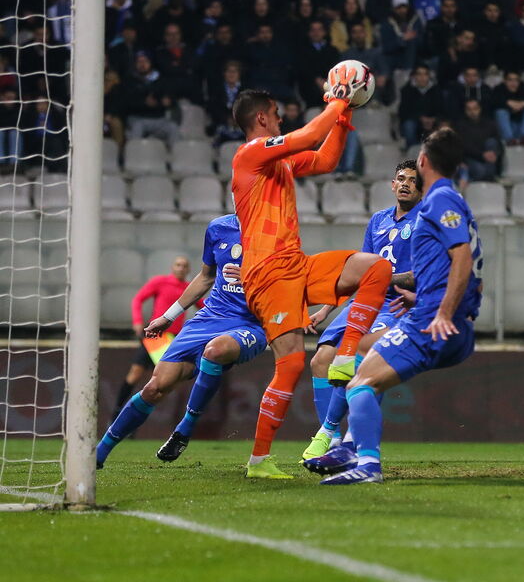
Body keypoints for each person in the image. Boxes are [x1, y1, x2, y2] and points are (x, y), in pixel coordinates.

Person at [230, 84, 393, 479]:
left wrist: (344, 113)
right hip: (267, 273)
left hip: (296, 264)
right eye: (276, 113)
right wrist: (338, 96)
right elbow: (308, 136)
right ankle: (259, 460)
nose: (282, 118)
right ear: (262, 119)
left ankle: (346, 353)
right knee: (291, 364)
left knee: (376, 269)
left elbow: (325, 158)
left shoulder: (279, 161)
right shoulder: (251, 153)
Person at [309, 127, 483, 484]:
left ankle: (364, 461)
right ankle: (346, 444)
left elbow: (463, 260)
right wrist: (426, 298)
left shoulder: (439, 201)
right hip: (436, 316)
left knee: (359, 385)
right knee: (361, 361)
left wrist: (442, 311)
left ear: (424, 162)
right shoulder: (454, 202)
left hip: (432, 323)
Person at [96, 216, 267, 468]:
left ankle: (184, 429)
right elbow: (206, 277)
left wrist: (253, 278)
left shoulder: (275, 230)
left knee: (215, 351)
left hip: (250, 323)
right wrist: (168, 316)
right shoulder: (218, 228)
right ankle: (99, 454)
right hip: (205, 321)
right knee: (154, 386)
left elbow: (289, 281)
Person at [301, 160, 423, 468]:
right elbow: (359, 272)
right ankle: (336, 442)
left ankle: (336, 435)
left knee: (363, 360)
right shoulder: (378, 220)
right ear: (392, 185)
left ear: (422, 188)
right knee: (321, 359)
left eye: (412, 179)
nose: (406, 183)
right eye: (400, 178)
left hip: (395, 305)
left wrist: (387, 281)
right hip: (366, 300)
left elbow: (424, 271)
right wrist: (327, 308)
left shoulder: (426, 221)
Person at [112, 256, 193, 422]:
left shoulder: (190, 289)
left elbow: (204, 306)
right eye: (177, 264)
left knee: (166, 382)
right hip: (155, 337)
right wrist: (137, 322)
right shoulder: (160, 282)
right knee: (135, 375)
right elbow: (138, 299)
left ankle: (135, 419)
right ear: (172, 267)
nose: (180, 268)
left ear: (188, 270)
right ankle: (116, 414)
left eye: (184, 266)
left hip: (172, 341)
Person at [454, 99, 501, 183]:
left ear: (480, 109)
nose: (472, 112)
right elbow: (464, 147)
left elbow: (498, 142)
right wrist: (482, 154)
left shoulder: (490, 124)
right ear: (465, 111)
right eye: (469, 109)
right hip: (471, 158)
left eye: (475, 108)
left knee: (492, 142)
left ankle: (490, 174)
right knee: (480, 171)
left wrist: (495, 154)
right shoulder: (460, 125)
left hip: (489, 159)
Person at [491, 70, 524, 145]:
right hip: (506, 127)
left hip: (520, 125)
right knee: (500, 112)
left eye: (516, 80)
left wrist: (523, 104)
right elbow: (494, 102)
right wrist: (508, 103)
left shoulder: (523, 88)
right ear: (504, 81)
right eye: (510, 80)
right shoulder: (499, 89)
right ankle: (509, 140)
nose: (513, 83)